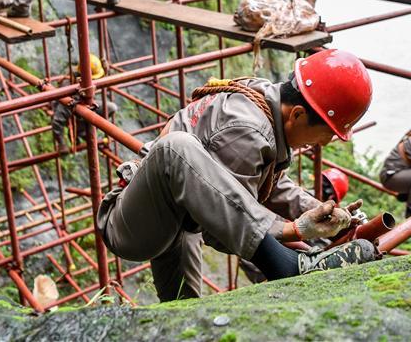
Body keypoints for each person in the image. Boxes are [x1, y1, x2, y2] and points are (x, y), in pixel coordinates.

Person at [96, 49, 378, 302]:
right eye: (328, 132)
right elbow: (219, 229)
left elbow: (268, 185)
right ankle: (287, 265)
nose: (325, 142)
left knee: (183, 308)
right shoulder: (249, 132)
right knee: (176, 147)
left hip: (177, 217)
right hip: (134, 224)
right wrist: (296, 230)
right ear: (298, 114)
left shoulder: (267, 102)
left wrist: (321, 211)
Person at [50, 53, 118, 151]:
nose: (95, 81)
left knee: (111, 108)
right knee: (85, 114)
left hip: (84, 106)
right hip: (74, 113)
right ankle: (81, 132)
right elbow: (57, 121)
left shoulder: (82, 79)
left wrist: (106, 72)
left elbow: (97, 81)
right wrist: (61, 143)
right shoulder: (70, 92)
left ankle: (84, 131)